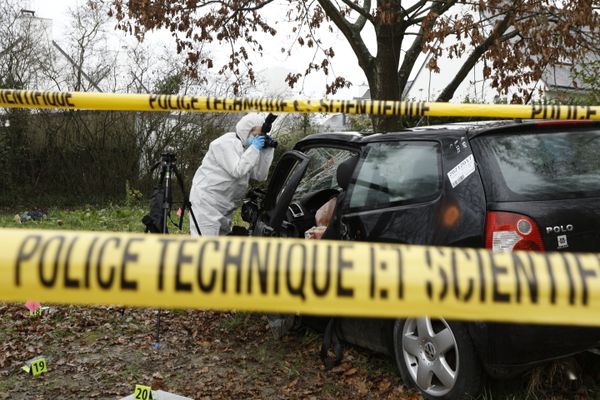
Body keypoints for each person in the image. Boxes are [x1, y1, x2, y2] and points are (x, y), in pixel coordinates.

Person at [189, 113, 274, 236]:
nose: (257, 139)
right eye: (255, 135)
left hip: (225, 206)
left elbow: (260, 175)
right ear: (245, 131)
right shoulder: (225, 144)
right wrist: (255, 147)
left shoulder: (247, 149)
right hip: (207, 203)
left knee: (221, 246)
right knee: (204, 247)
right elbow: (237, 170)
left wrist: (267, 151)